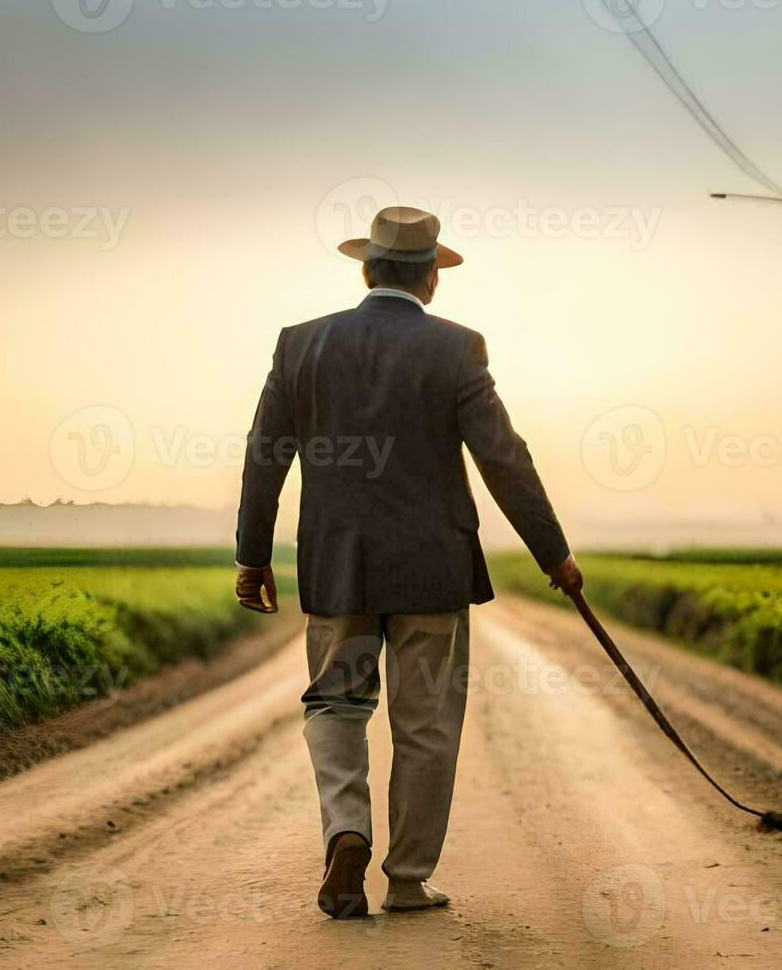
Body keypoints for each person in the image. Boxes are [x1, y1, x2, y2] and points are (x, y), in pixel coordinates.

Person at [234, 205, 581, 919]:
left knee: (335, 703)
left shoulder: (299, 345)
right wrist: (555, 553)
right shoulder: (457, 349)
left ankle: (346, 831)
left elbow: (265, 455)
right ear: (431, 279)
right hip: (432, 568)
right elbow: (502, 458)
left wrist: (252, 556)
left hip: (338, 565)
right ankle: (407, 879)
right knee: (424, 724)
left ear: (365, 270)